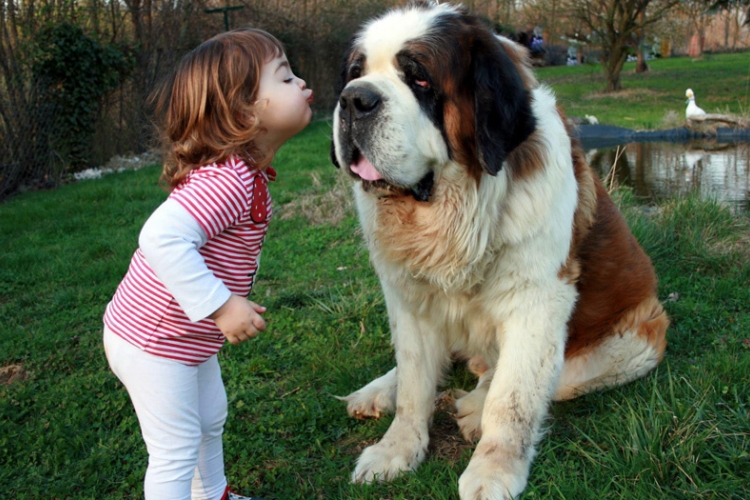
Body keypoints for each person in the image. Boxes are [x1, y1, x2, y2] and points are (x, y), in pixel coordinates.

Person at [103, 27, 313, 500]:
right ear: (244, 110)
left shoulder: (245, 172)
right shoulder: (227, 180)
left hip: (185, 338)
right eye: (284, 77)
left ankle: (212, 493)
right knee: (174, 448)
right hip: (152, 339)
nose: (301, 83)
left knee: (211, 415)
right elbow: (160, 237)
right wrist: (220, 306)